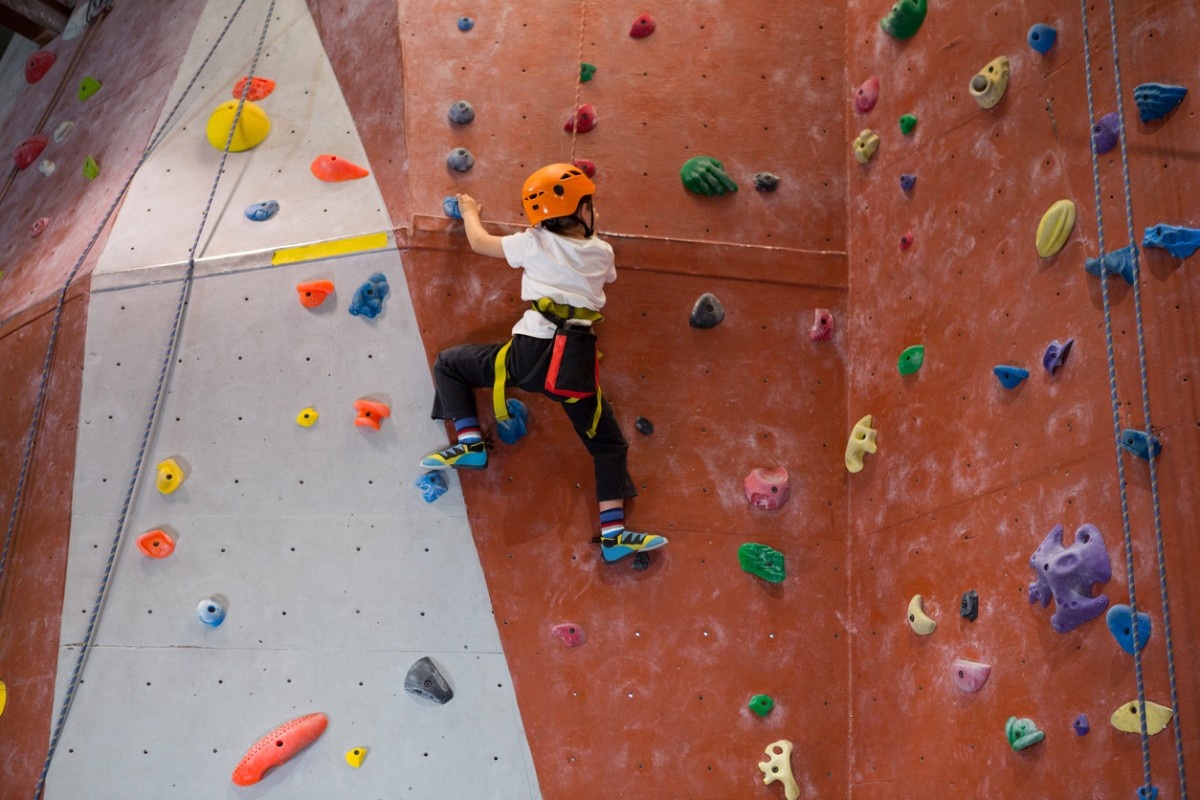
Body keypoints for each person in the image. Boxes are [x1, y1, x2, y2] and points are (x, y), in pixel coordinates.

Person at [420, 163, 667, 564]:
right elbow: (602, 271)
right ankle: (613, 534)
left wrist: (468, 210)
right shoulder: (603, 252)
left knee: (449, 363)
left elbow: (481, 242)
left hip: (529, 353)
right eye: (590, 205)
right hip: (574, 363)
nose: (594, 211)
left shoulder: (533, 242)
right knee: (607, 444)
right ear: (579, 211)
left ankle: (470, 443)